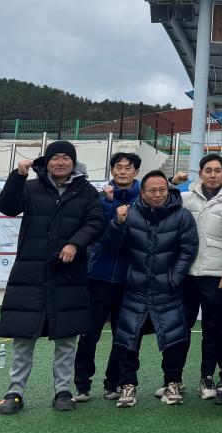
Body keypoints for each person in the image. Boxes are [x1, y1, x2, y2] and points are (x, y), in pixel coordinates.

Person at [0, 141, 103, 414]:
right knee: (23, 337)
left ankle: (63, 391)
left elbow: (95, 223)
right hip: (30, 274)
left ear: (74, 163)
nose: (60, 162)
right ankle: (14, 392)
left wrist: (75, 244)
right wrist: (17, 176)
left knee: (66, 339)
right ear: (47, 162)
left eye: (66, 158)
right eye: (55, 158)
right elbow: (6, 206)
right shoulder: (30, 187)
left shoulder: (87, 191)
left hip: (68, 274)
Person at [107, 170, 198, 408]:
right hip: (135, 287)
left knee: (175, 338)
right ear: (142, 192)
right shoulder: (130, 214)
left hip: (168, 288)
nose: (158, 195)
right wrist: (117, 223)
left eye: (162, 190)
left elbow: (188, 250)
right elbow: (114, 246)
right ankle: (128, 384)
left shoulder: (182, 215)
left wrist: (174, 278)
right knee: (128, 337)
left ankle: (172, 382)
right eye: (152, 191)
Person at [73, 152, 142, 403]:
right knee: (89, 333)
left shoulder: (144, 199)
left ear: (136, 172)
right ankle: (82, 384)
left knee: (123, 335)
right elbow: (97, 232)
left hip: (129, 278)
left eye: (128, 167)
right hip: (98, 275)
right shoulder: (98, 197)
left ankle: (114, 382)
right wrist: (110, 206)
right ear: (112, 170)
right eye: (119, 167)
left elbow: (134, 233)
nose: (123, 171)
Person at [180, 154, 222, 402]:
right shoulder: (185, 199)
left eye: (217, 170)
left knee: (213, 330)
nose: (212, 175)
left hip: (216, 277)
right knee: (180, 328)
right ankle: (173, 379)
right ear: (200, 173)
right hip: (186, 275)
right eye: (208, 170)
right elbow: (159, 199)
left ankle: (207, 377)